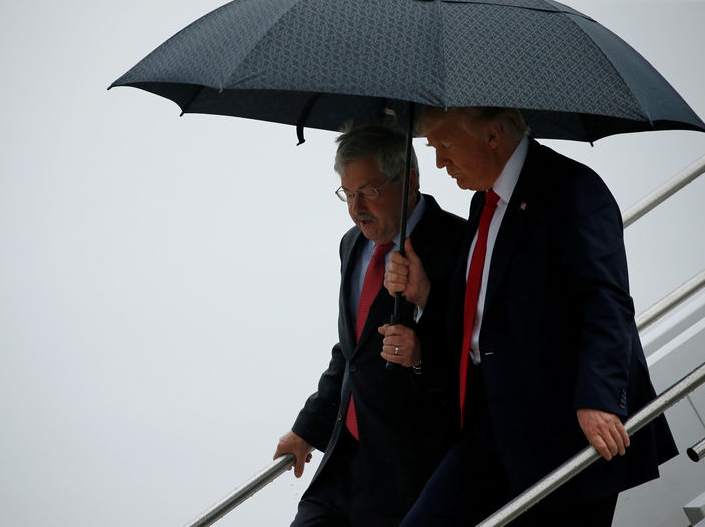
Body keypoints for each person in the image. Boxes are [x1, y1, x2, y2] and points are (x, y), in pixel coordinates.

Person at [384, 106, 678, 526]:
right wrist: (424, 294)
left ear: (492, 135)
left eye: (446, 145)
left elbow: (605, 302)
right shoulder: (481, 204)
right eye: (433, 148)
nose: (439, 162)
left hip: (566, 433)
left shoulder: (573, 188)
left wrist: (599, 398)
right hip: (491, 429)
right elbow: (485, 317)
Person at [273, 121, 466, 527]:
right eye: (348, 192)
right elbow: (351, 351)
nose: (356, 207)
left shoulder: (461, 243)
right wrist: (308, 428)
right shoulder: (352, 243)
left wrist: (424, 317)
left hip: (410, 478)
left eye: (370, 191)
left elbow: (477, 359)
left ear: (410, 180)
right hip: (344, 465)